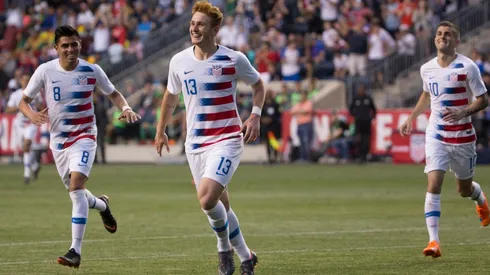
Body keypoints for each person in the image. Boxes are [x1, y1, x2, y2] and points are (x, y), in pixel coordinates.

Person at [154, 2, 265, 274]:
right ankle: (246, 256)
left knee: (206, 200)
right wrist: (160, 130)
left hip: (227, 139)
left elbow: (258, 84)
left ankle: (222, 248)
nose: (194, 27)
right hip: (195, 145)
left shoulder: (233, 59)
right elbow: (170, 97)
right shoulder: (179, 61)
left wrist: (255, 115)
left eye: (200, 24)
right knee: (219, 204)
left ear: (215, 29)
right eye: (193, 23)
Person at [18, 25, 141, 269]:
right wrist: (32, 115)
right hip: (59, 142)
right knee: (77, 193)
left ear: (80, 46)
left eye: (74, 44)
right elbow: (24, 101)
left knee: (76, 187)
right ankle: (103, 205)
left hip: (85, 136)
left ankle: (75, 251)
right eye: (65, 45)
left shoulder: (92, 70)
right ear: (56, 48)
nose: (70, 49)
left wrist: (125, 108)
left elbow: (113, 93)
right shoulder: (45, 71)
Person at [399, 21, 489, 259]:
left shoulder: (468, 67)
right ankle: (433, 242)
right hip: (436, 133)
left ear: (457, 41)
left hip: (462, 137)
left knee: (464, 189)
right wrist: (411, 118)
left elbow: (483, 99)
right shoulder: (427, 68)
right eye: (439, 34)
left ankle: (480, 199)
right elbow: (427, 93)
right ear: (435, 39)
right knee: (434, 184)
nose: (442, 37)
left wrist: (463, 112)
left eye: (448, 34)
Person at [5, 73, 43, 184]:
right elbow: (7, 110)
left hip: (31, 123)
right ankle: (35, 166)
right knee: (26, 148)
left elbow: (41, 106)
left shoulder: (36, 93)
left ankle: (27, 174)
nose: (25, 82)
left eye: (27, 80)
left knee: (27, 145)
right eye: (24, 80)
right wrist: (22, 107)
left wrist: (38, 110)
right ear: (20, 81)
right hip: (19, 124)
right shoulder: (16, 95)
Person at [349, 83, 376, 163]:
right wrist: (355, 116)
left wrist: (371, 118)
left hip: (366, 123)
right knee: (358, 139)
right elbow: (350, 109)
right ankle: (359, 156)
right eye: (359, 89)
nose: (360, 90)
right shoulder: (356, 98)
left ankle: (364, 156)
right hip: (358, 122)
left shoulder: (368, 98)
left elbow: (374, 109)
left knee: (366, 139)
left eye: (362, 89)